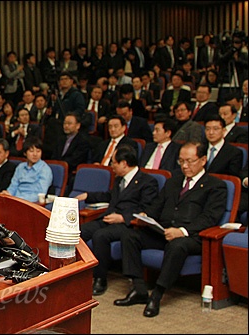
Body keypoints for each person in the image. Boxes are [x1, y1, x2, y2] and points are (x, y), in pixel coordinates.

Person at [114, 141, 227, 317]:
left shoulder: (215, 186)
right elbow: (157, 206)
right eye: (181, 161)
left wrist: (182, 231)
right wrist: (145, 216)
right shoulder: (173, 181)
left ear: (203, 160)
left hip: (192, 237)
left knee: (177, 246)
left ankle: (157, 296)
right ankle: (139, 288)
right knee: (130, 235)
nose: (185, 166)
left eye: (190, 161)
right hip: (164, 231)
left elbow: (210, 217)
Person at [77, 145, 159, 296]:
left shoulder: (147, 182)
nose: (111, 166)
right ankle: (77, 273)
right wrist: (88, 196)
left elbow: (147, 209)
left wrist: (122, 218)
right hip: (109, 219)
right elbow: (110, 196)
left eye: (114, 162)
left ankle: (100, 279)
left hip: (129, 224)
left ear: (124, 163)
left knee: (100, 236)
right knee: (80, 231)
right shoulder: (120, 180)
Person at [2, 137, 52, 203]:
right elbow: (13, 186)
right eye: (31, 151)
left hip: (31, 203)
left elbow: (40, 194)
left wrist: (17, 199)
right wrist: (8, 194)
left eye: (38, 151)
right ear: (25, 153)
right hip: (15, 201)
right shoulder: (20, 167)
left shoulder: (45, 169)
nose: (35, 154)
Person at [51, 112, 91, 194]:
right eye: (65, 123)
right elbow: (54, 156)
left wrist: (60, 166)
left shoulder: (83, 141)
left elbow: (75, 160)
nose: (66, 126)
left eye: (69, 123)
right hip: (57, 170)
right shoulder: (60, 139)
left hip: (71, 173)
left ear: (78, 126)